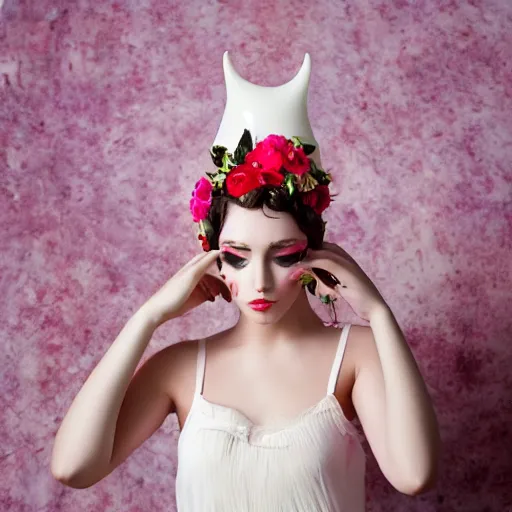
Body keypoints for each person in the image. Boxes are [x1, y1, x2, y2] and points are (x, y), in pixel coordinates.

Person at [51, 52, 441, 511]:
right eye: (237, 257)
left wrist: (378, 314)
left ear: (314, 250)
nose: (259, 282)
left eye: (284, 255)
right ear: (212, 258)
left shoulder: (356, 355)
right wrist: (147, 318)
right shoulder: (180, 369)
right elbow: (73, 468)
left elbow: (415, 474)